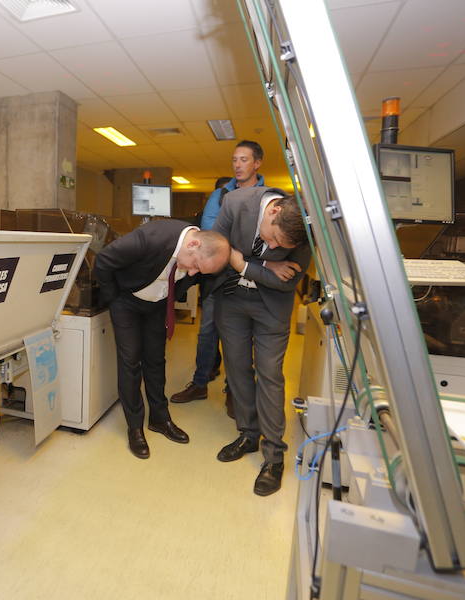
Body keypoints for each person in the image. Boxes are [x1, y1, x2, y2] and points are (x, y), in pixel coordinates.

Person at [95, 221, 230, 459]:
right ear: (193, 243)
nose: (193, 274)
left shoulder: (198, 258)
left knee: (156, 361)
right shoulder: (150, 238)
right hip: (127, 301)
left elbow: (195, 275)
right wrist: (112, 299)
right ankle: (134, 427)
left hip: (158, 304)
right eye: (196, 265)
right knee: (130, 362)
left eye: (200, 272)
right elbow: (104, 260)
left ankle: (159, 418)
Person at [210, 186, 310, 496]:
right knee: (237, 368)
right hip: (231, 300)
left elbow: (287, 281)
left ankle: (274, 457)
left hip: (272, 308)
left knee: (270, 376)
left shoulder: (305, 226)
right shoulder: (236, 202)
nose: (274, 246)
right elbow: (216, 250)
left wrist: (243, 263)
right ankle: (248, 434)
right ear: (274, 210)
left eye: (281, 246)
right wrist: (264, 265)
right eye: (274, 237)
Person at [170, 141, 267, 410]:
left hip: (249, 278)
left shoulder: (267, 196)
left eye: (244, 160)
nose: (237, 165)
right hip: (217, 276)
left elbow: (266, 237)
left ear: (257, 163)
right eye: (234, 159)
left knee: (241, 335)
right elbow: (211, 236)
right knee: (208, 331)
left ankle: (234, 391)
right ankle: (200, 383)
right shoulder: (219, 195)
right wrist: (243, 243)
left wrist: (236, 242)